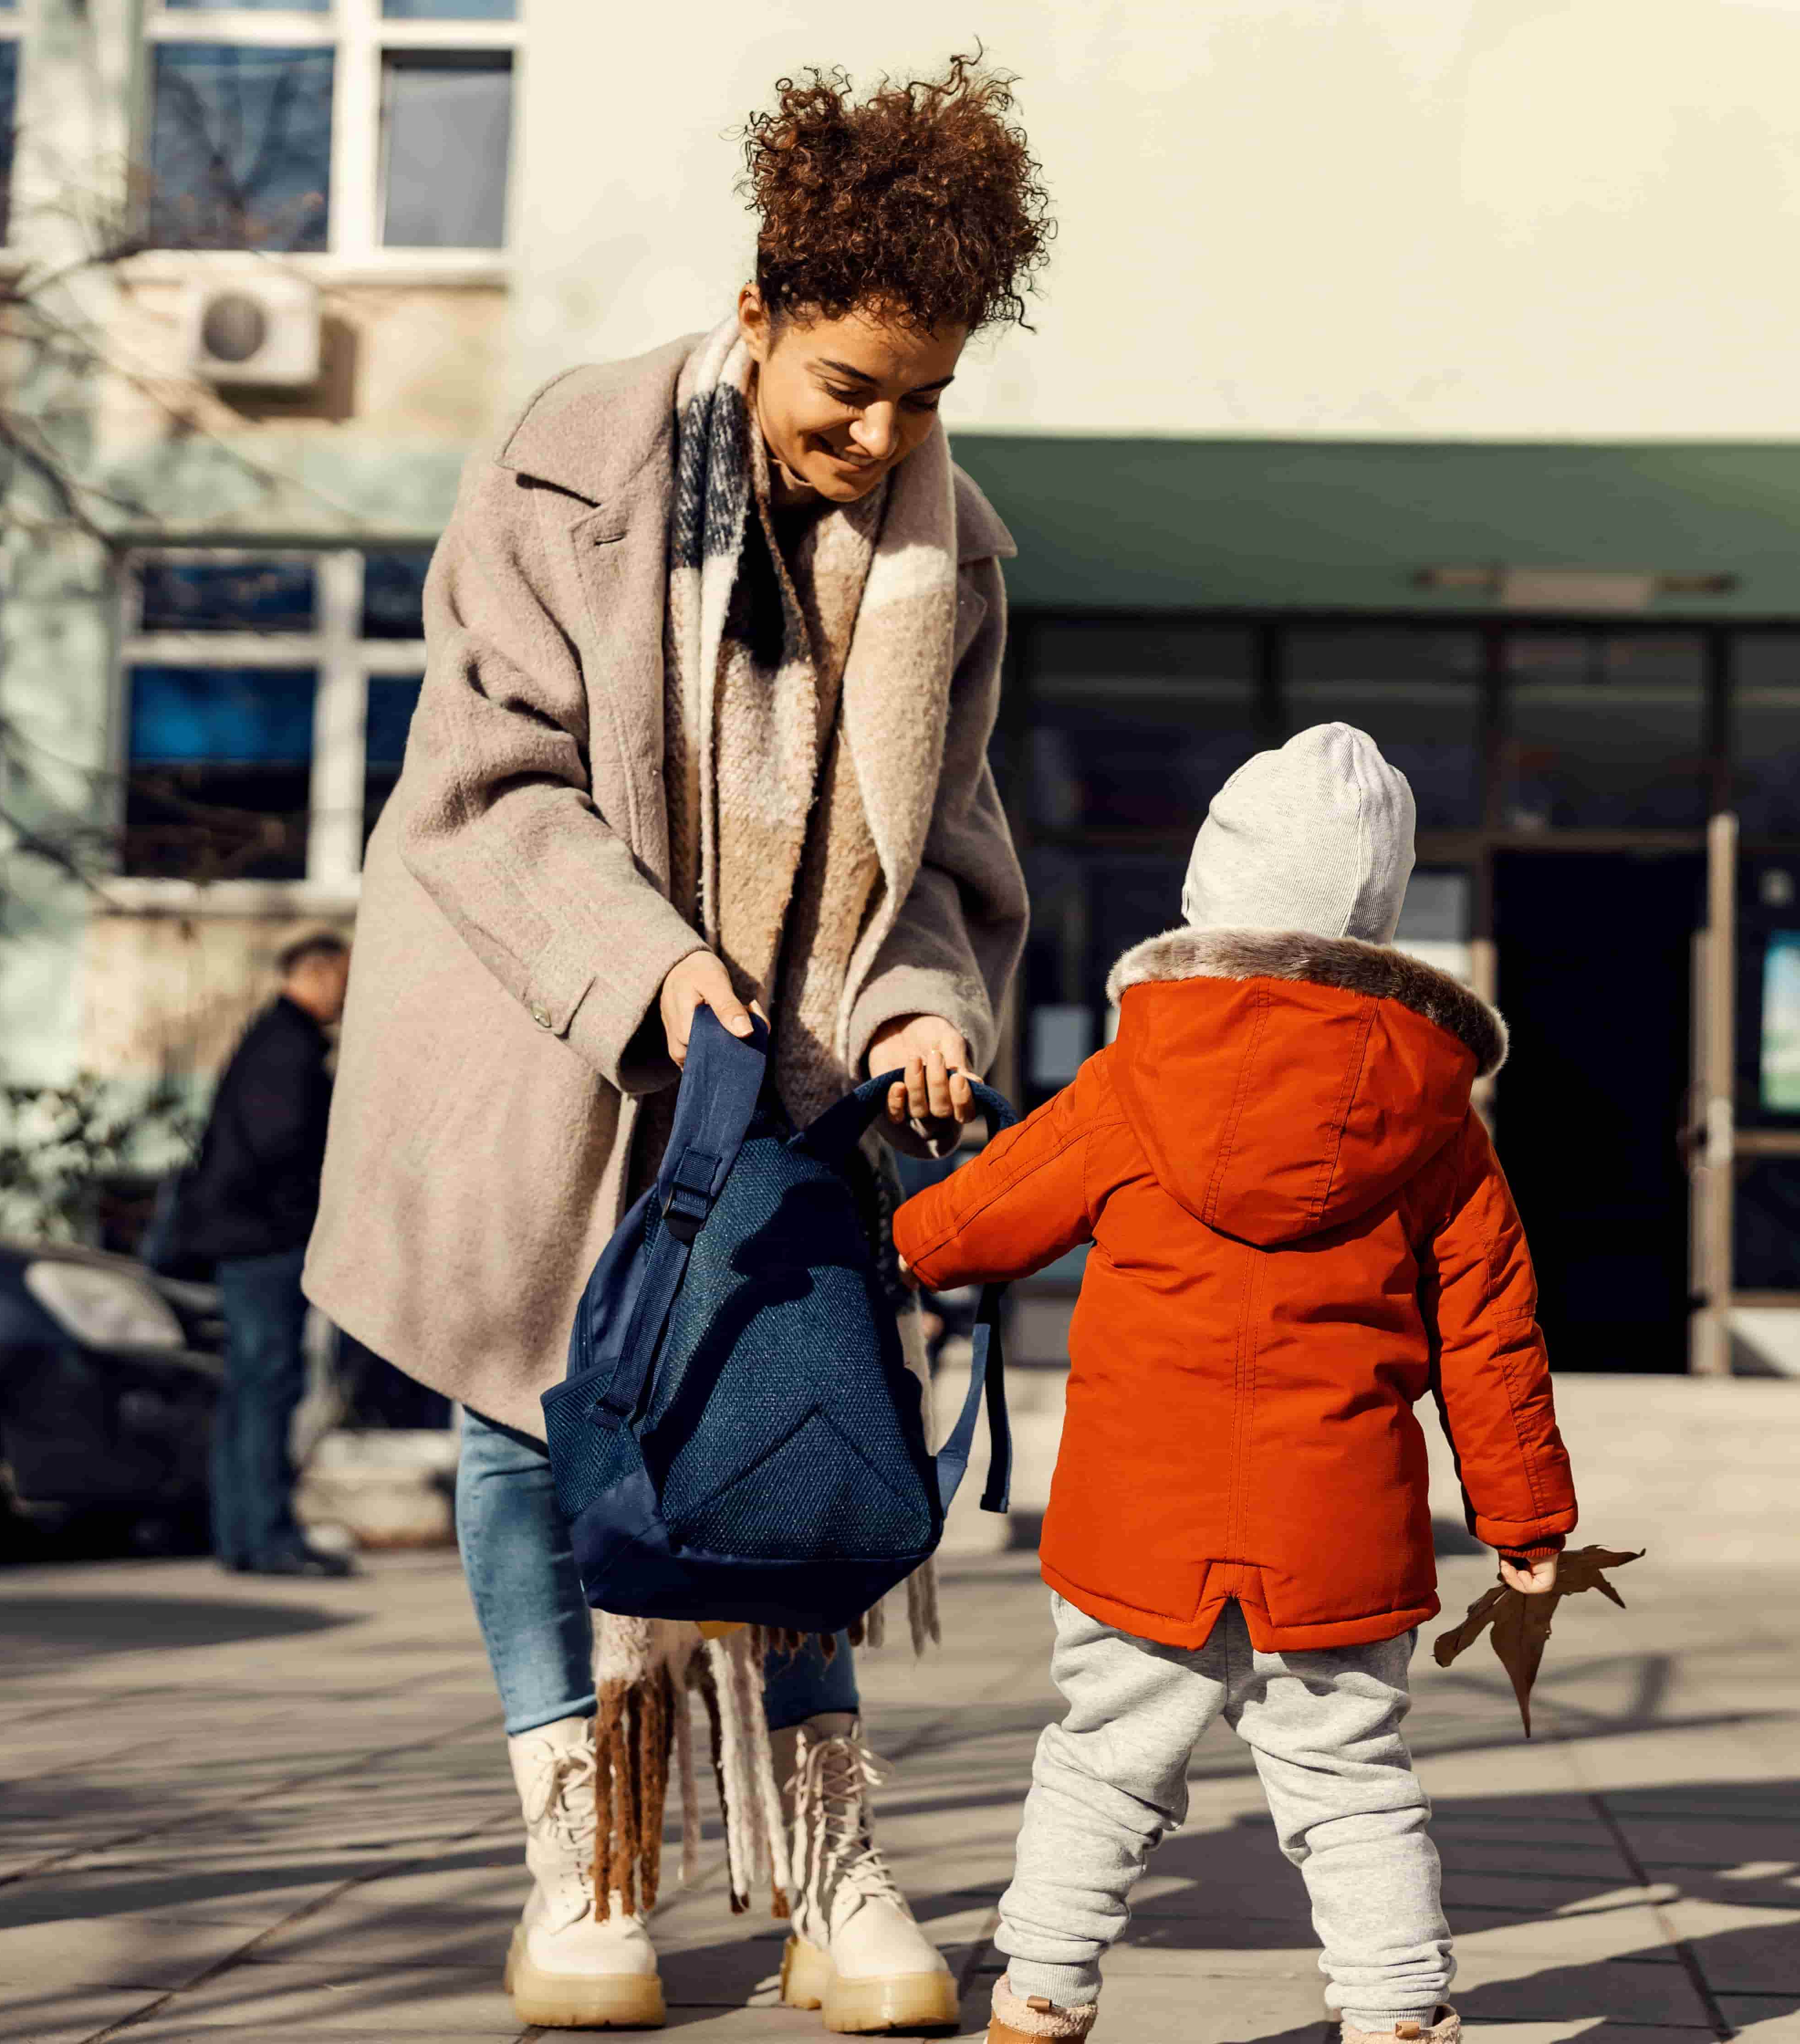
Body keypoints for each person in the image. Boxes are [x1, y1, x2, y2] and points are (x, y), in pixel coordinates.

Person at [303, 54, 1043, 2034]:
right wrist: (648, 969)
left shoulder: (953, 558)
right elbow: (485, 777)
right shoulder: (576, 467)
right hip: (539, 1029)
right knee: (521, 1422)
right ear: (758, 314)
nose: (881, 433)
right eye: (847, 389)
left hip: (776, 1086)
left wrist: (915, 1020)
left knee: (793, 1423)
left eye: (926, 396)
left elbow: (950, 857)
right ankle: (590, 1856)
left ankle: (823, 1860)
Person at [893, 725, 1583, 2044]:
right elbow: (1495, 1343)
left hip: (1135, 1519)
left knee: (1101, 1760)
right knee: (1353, 1785)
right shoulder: (1440, 1124)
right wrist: (1528, 1527)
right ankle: (1395, 2015)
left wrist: (896, 1214)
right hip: (1337, 1529)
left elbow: (962, 1231)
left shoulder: (1131, 1082)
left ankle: (1039, 1992)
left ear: (1212, 887)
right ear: (1375, 914)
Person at [198, 930, 355, 1580]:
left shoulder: (272, 1040)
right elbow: (281, 1149)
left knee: (251, 1388)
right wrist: (311, 1220)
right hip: (265, 1243)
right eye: (345, 976)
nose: (351, 991)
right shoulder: (285, 1049)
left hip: (248, 1239)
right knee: (267, 1387)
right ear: (316, 976)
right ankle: (264, 1537)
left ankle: (244, 1535)